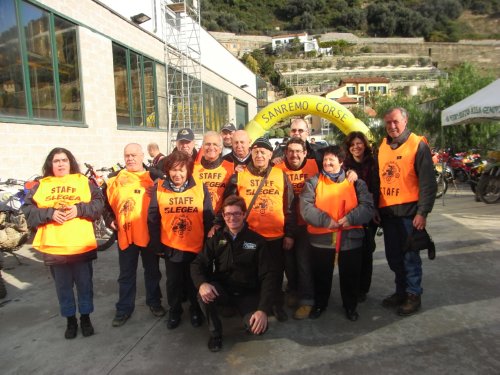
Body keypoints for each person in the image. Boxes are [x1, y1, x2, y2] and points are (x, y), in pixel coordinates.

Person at [22, 147, 104, 339]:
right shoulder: (41, 185)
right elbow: (27, 210)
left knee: (85, 285)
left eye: (64, 160)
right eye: (56, 160)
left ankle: (85, 318)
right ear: (51, 164)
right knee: (63, 288)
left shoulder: (83, 182)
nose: (60, 164)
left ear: (70, 162)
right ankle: (70, 320)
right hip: (55, 247)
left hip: (80, 245)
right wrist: (50, 213)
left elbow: (99, 204)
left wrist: (79, 209)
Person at [191, 195, 277, 352]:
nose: (232, 218)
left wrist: (263, 309)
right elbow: (197, 264)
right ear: (223, 216)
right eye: (228, 214)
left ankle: (241, 313)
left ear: (244, 214)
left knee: (258, 330)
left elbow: (268, 276)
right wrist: (202, 284)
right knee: (203, 294)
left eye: (237, 213)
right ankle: (215, 334)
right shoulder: (216, 239)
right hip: (224, 290)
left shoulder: (257, 241)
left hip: (248, 293)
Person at [223, 137, 295, 322]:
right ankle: (256, 305)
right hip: (250, 235)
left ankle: (276, 304)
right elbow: (229, 205)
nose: (259, 155)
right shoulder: (239, 175)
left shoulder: (280, 175)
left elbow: (290, 207)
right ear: (251, 154)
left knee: (275, 273)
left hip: (275, 236)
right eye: (256, 152)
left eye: (263, 152)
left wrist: (289, 233)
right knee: (251, 272)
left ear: (271, 155)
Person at [300, 145, 373, 321]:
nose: (327, 163)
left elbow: (368, 207)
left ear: (341, 162)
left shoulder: (356, 183)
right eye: (325, 160)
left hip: (350, 238)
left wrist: (351, 218)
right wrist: (326, 220)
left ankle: (350, 306)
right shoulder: (313, 182)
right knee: (321, 274)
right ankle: (320, 304)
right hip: (322, 238)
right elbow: (305, 208)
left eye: (331, 159)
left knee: (350, 275)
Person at [378, 107, 437, 316]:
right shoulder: (383, 145)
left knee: (410, 258)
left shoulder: (417, 144)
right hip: (388, 214)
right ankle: (401, 291)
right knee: (394, 257)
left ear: (405, 120)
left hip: (410, 215)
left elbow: (428, 183)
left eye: (395, 122)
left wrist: (423, 212)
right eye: (388, 123)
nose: (392, 126)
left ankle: (413, 295)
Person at [148, 150, 214, 329]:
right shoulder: (159, 188)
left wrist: (208, 246)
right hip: (171, 246)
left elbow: (208, 217)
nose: (177, 174)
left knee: (194, 281)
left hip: (196, 245)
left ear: (189, 171)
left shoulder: (200, 187)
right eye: (173, 170)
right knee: (174, 282)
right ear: (168, 170)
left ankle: (195, 310)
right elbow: (153, 218)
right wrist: (157, 245)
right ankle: (174, 311)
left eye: (182, 170)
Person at [105, 143, 164, 327]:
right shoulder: (115, 178)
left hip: (148, 235)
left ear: (141, 156)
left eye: (133, 155)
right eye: (127, 156)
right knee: (126, 274)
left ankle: (154, 303)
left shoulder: (154, 175)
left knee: (152, 272)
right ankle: (124, 309)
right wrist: (109, 219)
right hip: (126, 235)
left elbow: (168, 196)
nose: (130, 159)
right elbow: (104, 202)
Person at [274, 138, 319, 319]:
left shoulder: (316, 165)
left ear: (305, 152)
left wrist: (351, 173)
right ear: (285, 153)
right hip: (285, 225)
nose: (294, 154)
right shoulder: (277, 169)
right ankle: (292, 290)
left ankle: (307, 299)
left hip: (307, 226)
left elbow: (337, 167)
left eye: (298, 151)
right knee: (288, 263)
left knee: (303, 264)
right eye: (291, 151)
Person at [343, 131, 380, 302]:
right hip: (350, 214)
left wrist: (376, 211)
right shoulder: (344, 166)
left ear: (364, 145)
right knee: (352, 252)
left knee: (367, 251)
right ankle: (352, 286)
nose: (356, 147)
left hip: (369, 214)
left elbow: (377, 188)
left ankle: (363, 288)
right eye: (352, 144)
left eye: (359, 143)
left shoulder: (373, 164)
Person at [194, 131, 234, 214]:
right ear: (202, 147)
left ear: (220, 149)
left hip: (222, 218)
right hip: (199, 217)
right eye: (208, 144)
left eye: (215, 144)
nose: (211, 147)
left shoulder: (230, 168)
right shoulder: (193, 168)